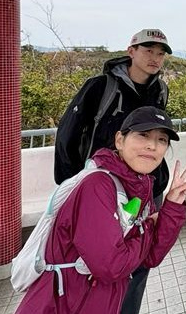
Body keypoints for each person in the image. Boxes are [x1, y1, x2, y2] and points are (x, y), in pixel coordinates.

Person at [16, 106, 186, 314]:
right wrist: (149, 226)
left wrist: (171, 208)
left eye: (162, 140)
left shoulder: (139, 187)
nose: (152, 145)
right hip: (61, 304)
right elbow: (111, 266)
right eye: (143, 135)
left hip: (97, 302)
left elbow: (150, 257)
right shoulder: (97, 186)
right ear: (119, 140)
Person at [53, 28, 172, 314]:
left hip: (144, 190)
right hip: (104, 191)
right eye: (148, 50)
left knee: (140, 257)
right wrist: (72, 185)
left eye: (160, 53)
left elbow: (158, 135)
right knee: (98, 263)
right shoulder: (100, 86)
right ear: (131, 51)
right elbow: (67, 134)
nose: (155, 58)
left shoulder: (160, 90)